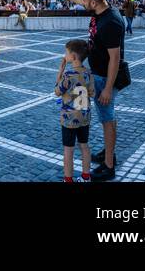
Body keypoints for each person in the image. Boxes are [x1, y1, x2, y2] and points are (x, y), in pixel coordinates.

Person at [45, 0, 125, 182]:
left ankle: (109, 165)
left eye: (85, 0)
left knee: (107, 119)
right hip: (96, 74)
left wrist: (107, 88)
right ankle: (109, 152)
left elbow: (115, 58)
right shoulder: (100, 10)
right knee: (106, 117)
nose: (82, 2)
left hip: (105, 77)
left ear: (94, 3)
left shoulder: (110, 23)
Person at [55, 39, 95, 182]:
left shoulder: (68, 75)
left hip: (69, 118)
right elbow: (92, 93)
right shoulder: (88, 73)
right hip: (84, 115)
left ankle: (68, 179)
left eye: (66, 52)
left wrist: (60, 71)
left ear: (73, 56)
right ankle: (86, 177)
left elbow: (57, 91)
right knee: (84, 145)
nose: (64, 55)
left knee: (68, 149)